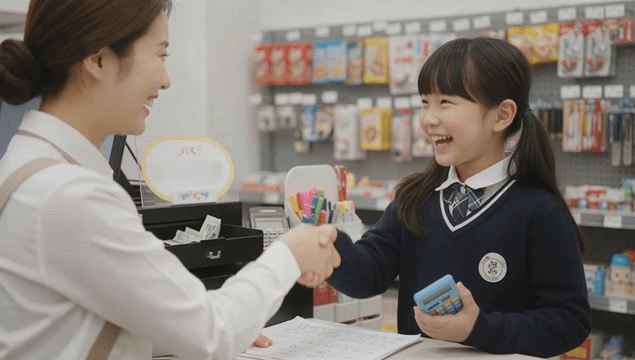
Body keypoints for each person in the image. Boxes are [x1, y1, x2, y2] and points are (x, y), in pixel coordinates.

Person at [0, 1, 340, 359]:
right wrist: (291, 252)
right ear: (98, 60)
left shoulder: (26, 165)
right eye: (160, 55)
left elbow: (69, 328)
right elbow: (212, 334)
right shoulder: (71, 195)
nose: (166, 79)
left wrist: (189, 325)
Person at [319, 37, 591, 358]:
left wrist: (479, 329)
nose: (428, 119)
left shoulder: (540, 210)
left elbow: (569, 321)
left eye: (445, 102)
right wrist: (329, 250)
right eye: (425, 102)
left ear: (501, 115)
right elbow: (369, 274)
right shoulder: (415, 196)